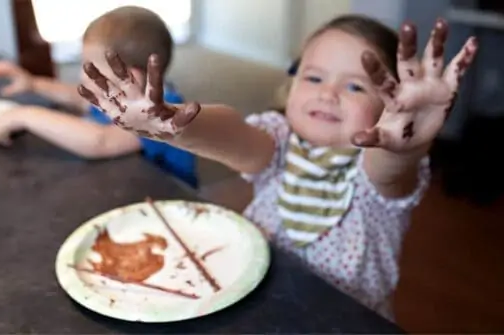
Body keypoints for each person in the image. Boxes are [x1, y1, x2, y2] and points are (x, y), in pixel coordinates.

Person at [73, 14, 478, 320]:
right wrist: (176, 123)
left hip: (346, 321)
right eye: (314, 77)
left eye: (356, 85)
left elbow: (390, 167)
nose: (329, 93)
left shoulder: (373, 173)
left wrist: (405, 140)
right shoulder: (279, 139)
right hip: (261, 301)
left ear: (391, 105)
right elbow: (235, 138)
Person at [0, 6, 198, 188]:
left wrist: (27, 116)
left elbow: (101, 141)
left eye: (90, 68)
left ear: (129, 78)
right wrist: (33, 84)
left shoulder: (162, 114)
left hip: (165, 204)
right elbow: (79, 98)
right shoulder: (119, 94)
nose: (81, 75)